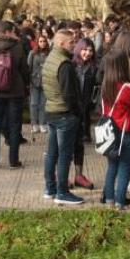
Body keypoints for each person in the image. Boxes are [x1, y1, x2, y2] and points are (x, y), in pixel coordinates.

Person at [42, 29, 85, 205]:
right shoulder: (65, 65)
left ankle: (50, 189)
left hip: (52, 110)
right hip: (64, 114)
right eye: (71, 43)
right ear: (61, 43)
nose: (74, 46)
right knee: (64, 155)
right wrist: (77, 113)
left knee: (52, 153)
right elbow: (69, 95)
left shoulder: (50, 58)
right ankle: (62, 192)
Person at [0, 20, 29, 169]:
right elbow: (24, 70)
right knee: (15, 125)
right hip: (15, 91)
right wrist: (26, 85)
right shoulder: (18, 47)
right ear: (9, 31)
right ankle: (13, 160)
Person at [98, 51, 130, 209]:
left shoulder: (104, 86)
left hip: (109, 132)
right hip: (125, 131)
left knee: (112, 166)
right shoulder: (127, 88)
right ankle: (120, 201)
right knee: (125, 167)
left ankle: (109, 200)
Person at [71, 37, 98, 188]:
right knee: (67, 145)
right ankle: (63, 175)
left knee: (79, 144)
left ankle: (78, 175)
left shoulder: (94, 67)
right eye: (84, 49)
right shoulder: (71, 64)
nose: (87, 53)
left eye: (90, 50)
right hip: (70, 109)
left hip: (84, 109)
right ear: (78, 49)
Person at [28, 33, 50, 134]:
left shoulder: (49, 53)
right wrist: (29, 80)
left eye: (44, 41)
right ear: (37, 42)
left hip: (46, 82)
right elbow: (29, 67)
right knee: (33, 103)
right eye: (40, 41)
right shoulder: (32, 53)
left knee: (43, 104)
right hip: (34, 81)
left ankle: (42, 123)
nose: (42, 43)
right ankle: (34, 123)